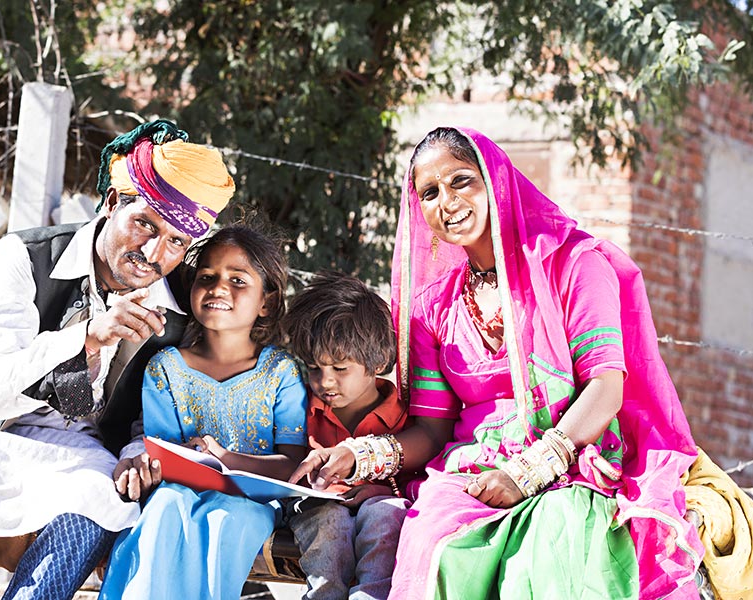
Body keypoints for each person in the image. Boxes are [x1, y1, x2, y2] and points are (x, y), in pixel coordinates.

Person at [291, 126, 706, 599]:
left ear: (495, 182)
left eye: (461, 181)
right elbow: (431, 430)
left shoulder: (573, 264)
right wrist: (359, 455)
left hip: (570, 463)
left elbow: (606, 390)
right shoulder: (434, 307)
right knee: (433, 548)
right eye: (429, 192)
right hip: (469, 475)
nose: (446, 202)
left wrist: (524, 474)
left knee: (554, 544)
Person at [0, 119, 235, 599]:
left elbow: (152, 421)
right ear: (110, 204)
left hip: (84, 460)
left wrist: (136, 456)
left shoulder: (179, 311)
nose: (152, 252)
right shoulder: (23, 256)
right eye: (144, 224)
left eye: (175, 242)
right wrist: (85, 337)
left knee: (102, 499)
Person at [98, 222, 308, 600]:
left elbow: (293, 463)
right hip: (179, 492)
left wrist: (227, 458)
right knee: (164, 509)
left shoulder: (281, 372)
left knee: (230, 520)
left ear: (267, 302)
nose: (219, 288)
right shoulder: (166, 368)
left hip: (253, 503)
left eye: (238, 280)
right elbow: (160, 453)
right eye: (207, 276)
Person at [282, 271, 409, 600]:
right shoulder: (300, 408)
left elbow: (415, 478)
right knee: (329, 522)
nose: (324, 382)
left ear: (377, 361)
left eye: (340, 369)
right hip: (318, 509)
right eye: (313, 368)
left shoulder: (402, 415)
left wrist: (378, 490)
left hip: (382, 506)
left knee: (386, 514)